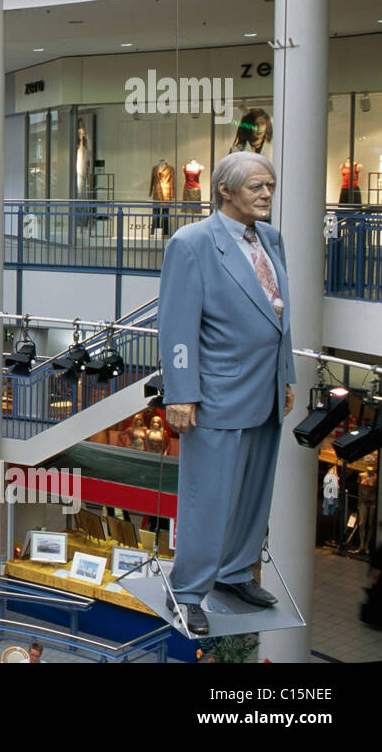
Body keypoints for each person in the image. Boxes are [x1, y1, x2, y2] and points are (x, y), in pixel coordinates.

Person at [159, 151, 295, 637]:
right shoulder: (192, 244)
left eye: (270, 186)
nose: (266, 195)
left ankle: (235, 574)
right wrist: (180, 392)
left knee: (254, 495)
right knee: (207, 499)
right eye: (257, 186)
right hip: (216, 394)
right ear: (225, 191)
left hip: (267, 391)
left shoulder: (272, 239)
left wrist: (287, 374)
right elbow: (176, 326)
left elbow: (279, 318)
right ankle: (189, 590)